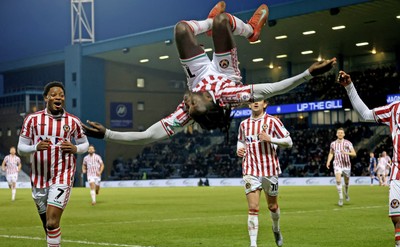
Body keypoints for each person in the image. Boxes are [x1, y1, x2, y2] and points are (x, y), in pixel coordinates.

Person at [82, 1, 336, 144]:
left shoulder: (185, 113)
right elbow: (274, 88)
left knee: (181, 29)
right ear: (208, 101)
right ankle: (251, 31)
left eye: (188, 106)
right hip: (224, 74)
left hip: (197, 73)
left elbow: (148, 135)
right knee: (223, 21)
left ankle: (208, 25)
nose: (186, 102)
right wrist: (308, 74)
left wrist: (107, 134)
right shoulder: (230, 94)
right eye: (193, 104)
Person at [17, 81, 89, 247]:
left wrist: (75, 148)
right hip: (39, 178)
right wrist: (35, 147)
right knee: (47, 225)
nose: (58, 97)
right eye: (54, 94)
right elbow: (20, 148)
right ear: (46, 98)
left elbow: (85, 144)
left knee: (51, 222)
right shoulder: (32, 120)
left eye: (61, 95)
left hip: (62, 175)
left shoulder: (72, 121)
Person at [338, 70, 400, 247]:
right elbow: (365, 114)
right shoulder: (395, 109)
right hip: (398, 173)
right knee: (397, 219)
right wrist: (349, 87)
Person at [236, 100, 292, 247]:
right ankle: (253, 245)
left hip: (269, 169)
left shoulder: (273, 121)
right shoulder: (243, 124)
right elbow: (241, 141)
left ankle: (276, 228)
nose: (255, 103)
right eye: (252, 101)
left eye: (258, 101)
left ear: (265, 104)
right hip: (250, 169)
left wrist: (271, 139)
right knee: (253, 208)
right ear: (248, 105)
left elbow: (289, 141)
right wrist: (239, 149)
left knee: (273, 206)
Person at [326, 127, 357, 207]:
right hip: (337, 164)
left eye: (341, 133)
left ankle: (346, 193)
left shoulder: (348, 143)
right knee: (338, 180)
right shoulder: (333, 144)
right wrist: (328, 161)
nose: (340, 134)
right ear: (336, 134)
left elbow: (354, 153)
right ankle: (340, 198)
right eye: (338, 132)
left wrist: (346, 153)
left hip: (346, 165)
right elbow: (331, 153)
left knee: (346, 182)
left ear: (344, 134)